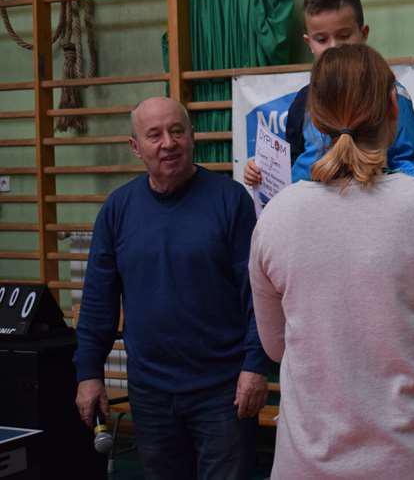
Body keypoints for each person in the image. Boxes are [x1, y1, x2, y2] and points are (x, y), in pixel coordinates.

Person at [249, 44, 414, 479]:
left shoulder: (276, 217)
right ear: (393, 110)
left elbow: (276, 347)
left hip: (313, 463)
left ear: (314, 119)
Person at [74, 97, 270, 480]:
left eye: (177, 131)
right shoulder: (117, 210)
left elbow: (257, 296)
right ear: (136, 147)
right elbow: (98, 301)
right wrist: (88, 373)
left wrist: (255, 366)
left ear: (192, 136)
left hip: (224, 392)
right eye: (155, 135)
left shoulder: (230, 200)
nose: (169, 143)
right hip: (150, 394)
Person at [244, 0, 414, 187]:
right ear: (309, 43)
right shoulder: (304, 99)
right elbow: (290, 163)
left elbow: (413, 163)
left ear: (363, 34)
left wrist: (378, 187)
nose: (334, 47)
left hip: (372, 201)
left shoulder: (389, 93)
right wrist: (263, 172)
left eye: (344, 36)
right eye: (322, 39)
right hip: (309, 203)